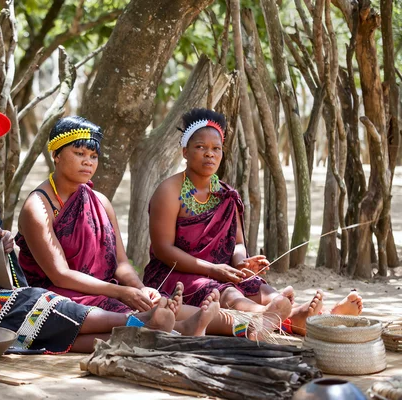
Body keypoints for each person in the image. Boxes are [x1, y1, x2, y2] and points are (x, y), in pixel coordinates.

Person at [0, 104, 216, 356]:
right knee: (34, 304)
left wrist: (2, 246)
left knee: (31, 327)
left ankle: (154, 332)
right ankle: (140, 323)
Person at [15, 116, 284, 337]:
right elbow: (60, 275)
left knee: (160, 306)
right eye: (79, 153)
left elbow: (120, 262)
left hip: (102, 289)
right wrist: (122, 291)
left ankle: (246, 326)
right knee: (129, 317)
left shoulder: (100, 201)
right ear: (56, 155)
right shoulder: (38, 207)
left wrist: (139, 288)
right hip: (58, 296)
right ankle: (174, 329)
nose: (88, 162)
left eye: (93, 156)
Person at [142, 107, 363, 335]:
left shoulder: (226, 194)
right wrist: (215, 270)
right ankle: (285, 318)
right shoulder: (169, 191)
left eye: (216, 148)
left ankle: (301, 317)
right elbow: (163, 250)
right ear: (185, 152)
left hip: (222, 272)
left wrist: (241, 264)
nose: (210, 154)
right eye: (200, 147)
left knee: (260, 287)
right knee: (227, 293)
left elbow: (237, 244)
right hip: (176, 275)